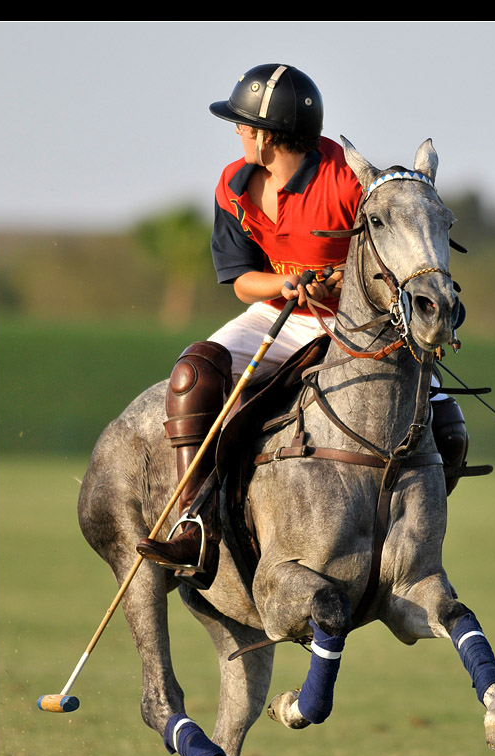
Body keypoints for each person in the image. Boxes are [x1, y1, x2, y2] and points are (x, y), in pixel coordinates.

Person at [137, 63, 468, 590]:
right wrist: (286, 285)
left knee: (448, 423)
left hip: (356, 326)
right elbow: (242, 279)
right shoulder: (233, 184)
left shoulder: (344, 181)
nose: (237, 131)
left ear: (268, 135)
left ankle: (409, 534)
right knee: (192, 375)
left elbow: (395, 251)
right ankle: (193, 526)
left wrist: (337, 278)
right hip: (279, 314)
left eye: (243, 124)